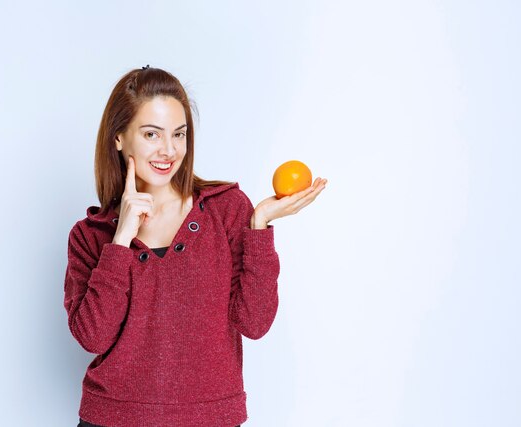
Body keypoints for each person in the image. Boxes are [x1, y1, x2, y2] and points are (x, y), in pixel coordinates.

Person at [64, 65, 327, 427]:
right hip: (112, 419)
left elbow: (254, 323)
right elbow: (93, 336)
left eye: (179, 134)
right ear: (119, 137)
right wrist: (121, 238)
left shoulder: (228, 209)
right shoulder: (90, 235)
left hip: (211, 418)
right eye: (152, 134)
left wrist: (259, 226)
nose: (169, 150)